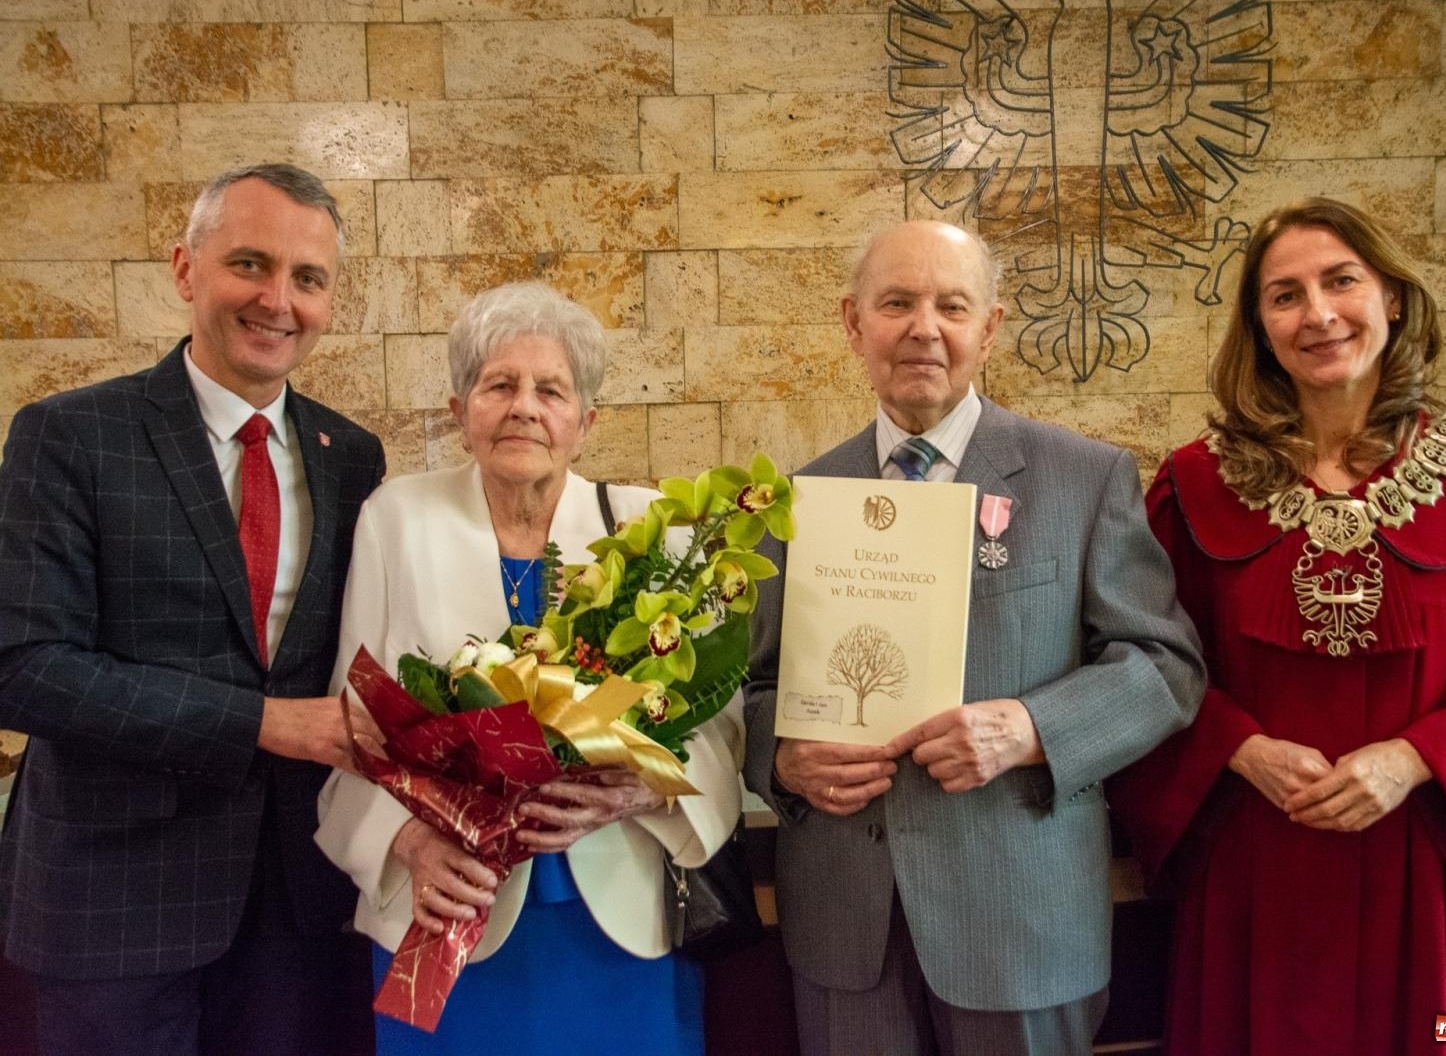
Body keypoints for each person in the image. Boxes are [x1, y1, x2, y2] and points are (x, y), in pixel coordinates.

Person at [1108, 197, 1446, 1054]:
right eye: (1285, 295)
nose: (1319, 314)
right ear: (1259, 326)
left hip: (1442, 864)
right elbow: (1143, 661)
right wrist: (1238, 747)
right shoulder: (1190, 490)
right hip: (1256, 862)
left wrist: (1413, 759)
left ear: (1394, 298)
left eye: (1342, 282)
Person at [741, 220, 1206, 1055]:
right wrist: (778, 756)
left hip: (1020, 920)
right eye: (897, 303)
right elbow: (752, 689)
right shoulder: (796, 500)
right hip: (849, 928)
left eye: (952, 305)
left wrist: (1031, 730)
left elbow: (1165, 668)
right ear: (855, 324)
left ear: (988, 329)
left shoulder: (1084, 478)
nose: (924, 327)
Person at [0, 163, 387, 1055]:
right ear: (185, 270)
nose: (277, 300)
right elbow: (24, 667)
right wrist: (265, 723)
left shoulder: (350, 456)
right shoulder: (70, 435)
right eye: (249, 264)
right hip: (115, 902)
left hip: (299, 902)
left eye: (308, 278)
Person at [315, 281, 744, 1055]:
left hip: (619, 918)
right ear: (459, 410)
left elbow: (720, 727)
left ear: (585, 423)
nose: (524, 407)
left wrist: (644, 788)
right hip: (446, 909)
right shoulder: (396, 520)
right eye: (499, 385)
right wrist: (408, 845)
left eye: (551, 389)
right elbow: (354, 726)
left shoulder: (653, 533)